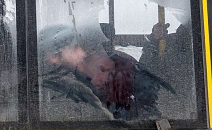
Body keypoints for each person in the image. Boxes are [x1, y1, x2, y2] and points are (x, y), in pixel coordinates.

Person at [39, 24, 174, 121]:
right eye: (74, 48)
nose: (82, 52)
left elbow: (149, 88)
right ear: (53, 57)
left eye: (80, 46)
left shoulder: (115, 63)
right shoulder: (51, 87)